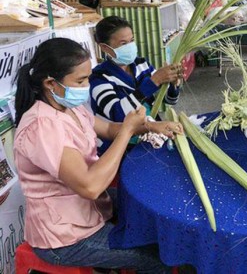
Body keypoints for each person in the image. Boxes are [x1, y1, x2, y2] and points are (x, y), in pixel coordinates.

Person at [13, 38, 182, 272]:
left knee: (148, 204)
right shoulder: (43, 126)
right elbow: (90, 186)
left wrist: (150, 127)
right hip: (65, 238)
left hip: (88, 208)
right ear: (51, 83)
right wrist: (128, 131)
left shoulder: (70, 108)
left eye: (87, 78)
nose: (86, 86)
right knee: (155, 256)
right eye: (80, 81)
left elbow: (110, 129)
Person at [90, 16, 182, 154]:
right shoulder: (99, 77)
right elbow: (117, 114)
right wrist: (153, 82)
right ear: (105, 47)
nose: (130, 46)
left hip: (152, 135)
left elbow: (169, 100)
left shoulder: (141, 64)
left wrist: (173, 85)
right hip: (121, 146)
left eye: (131, 40)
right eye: (123, 43)